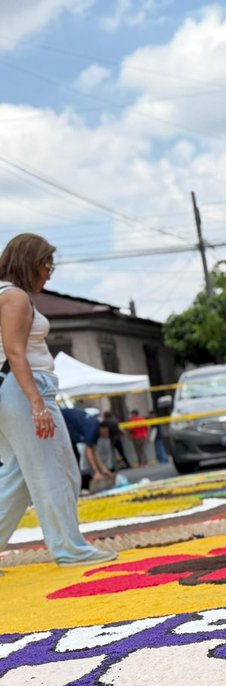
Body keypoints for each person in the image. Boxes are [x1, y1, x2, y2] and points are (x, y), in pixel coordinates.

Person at [0, 233, 118, 568]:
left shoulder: (6, 294)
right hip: (24, 389)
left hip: (13, 390)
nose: (50, 270)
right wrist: (37, 403)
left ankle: (68, 546)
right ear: (28, 261)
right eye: (45, 263)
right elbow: (14, 353)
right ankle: (70, 549)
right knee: (58, 471)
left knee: (17, 479)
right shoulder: (15, 297)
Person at [61, 406, 112, 491]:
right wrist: (96, 472)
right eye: (108, 435)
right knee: (73, 458)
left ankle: (75, 487)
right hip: (62, 425)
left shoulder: (96, 427)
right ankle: (72, 488)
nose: (106, 437)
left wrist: (104, 470)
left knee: (75, 456)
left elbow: (94, 451)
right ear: (105, 429)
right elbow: (88, 451)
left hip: (67, 426)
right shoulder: (93, 428)